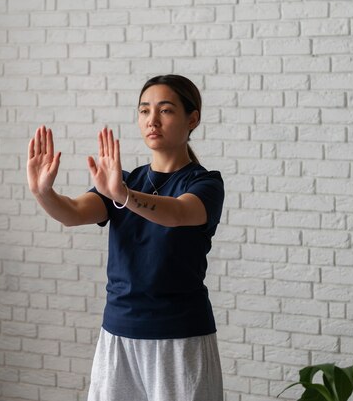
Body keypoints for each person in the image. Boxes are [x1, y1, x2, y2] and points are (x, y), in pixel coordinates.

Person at [27, 74, 225, 401]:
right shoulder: (126, 181)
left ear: (193, 119)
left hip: (179, 337)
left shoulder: (205, 184)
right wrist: (43, 192)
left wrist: (123, 195)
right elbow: (73, 212)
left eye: (165, 110)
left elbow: (176, 213)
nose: (152, 120)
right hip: (118, 334)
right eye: (144, 111)